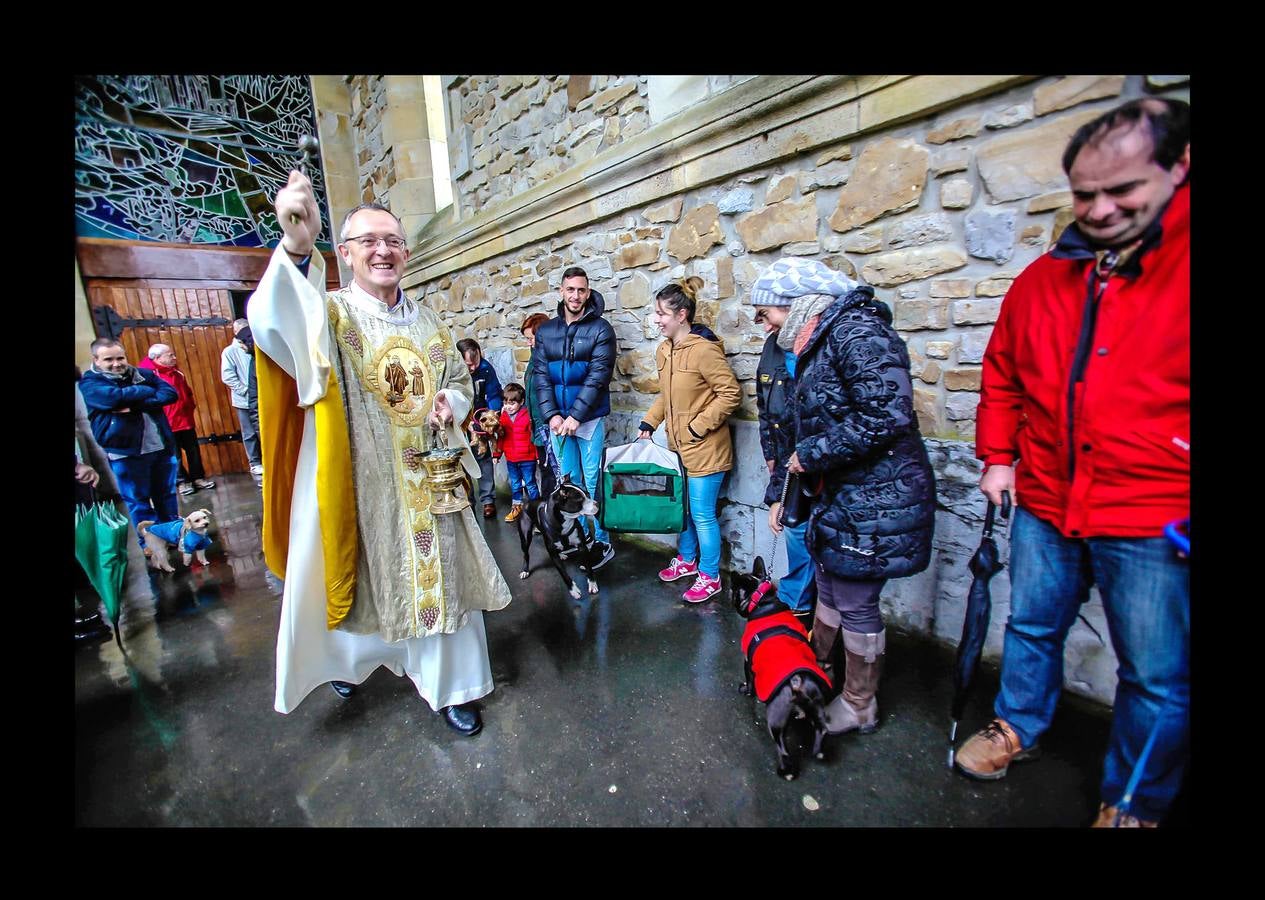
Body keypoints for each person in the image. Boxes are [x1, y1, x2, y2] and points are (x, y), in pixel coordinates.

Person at [954, 99, 1190, 828]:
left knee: (1153, 675)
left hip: (1155, 509)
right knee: (1030, 625)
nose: (1098, 208)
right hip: (1050, 497)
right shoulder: (1042, 280)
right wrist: (997, 456)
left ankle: (1131, 799)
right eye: (1083, 193)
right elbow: (1001, 374)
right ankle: (1017, 725)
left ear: (1178, 168)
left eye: (1120, 191)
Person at [248, 170, 512, 736]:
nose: (382, 250)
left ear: (407, 252)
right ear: (344, 253)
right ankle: (352, 662)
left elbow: (460, 382)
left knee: (438, 575)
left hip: (430, 477)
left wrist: (451, 399)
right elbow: (274, 327)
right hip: (360, 479)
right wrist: (296, 248)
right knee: (364, 572)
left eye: (391, 240)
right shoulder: (331, 313)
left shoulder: (430, 320)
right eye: (367, 241)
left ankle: (452, 688)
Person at [759, 257, 936, 737]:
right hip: (842, 494)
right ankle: (820, 672)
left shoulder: (856, 330)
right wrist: (783, 488)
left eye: (766, 310)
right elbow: (793, 426)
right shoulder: (817, 340)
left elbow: (886, 414)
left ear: (795, 304)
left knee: (855, 600)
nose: (762, 322)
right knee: (832, 588)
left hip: (877, 495)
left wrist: (811, 454)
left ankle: (860, 702)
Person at [637, 277, 741, 603]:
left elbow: (731, 394)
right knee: (685, 511)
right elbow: (666, 396)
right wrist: (648, 423)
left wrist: (698, 426)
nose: (656, 319)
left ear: (682, 315)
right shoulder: (664, 351)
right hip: (679, 448)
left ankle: (710, 576)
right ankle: (686, 560)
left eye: (661, 313)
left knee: (702, 514)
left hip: (707, 449)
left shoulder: (704, 351)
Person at [531, 266, 617, 569]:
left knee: (592, 484)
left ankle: (602, 542)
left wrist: (576, 416)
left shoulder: (601, 329)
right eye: (570, 289)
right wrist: (551, 415)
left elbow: (598, 376)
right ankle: (579, 539)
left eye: (581, 290)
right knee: (568, 484)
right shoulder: (547, 331)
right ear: (561, 291)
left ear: (588, 292)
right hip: (558, 423)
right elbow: (541, 377)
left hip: (588, 419)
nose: (576, 296)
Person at [79, 339, 181, 557]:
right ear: (96, 360)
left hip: (159, 446)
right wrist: (145, 392)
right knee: (137, 500)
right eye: (109, 359)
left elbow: (170, 393)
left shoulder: (141, 374)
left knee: (166, 494)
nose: (116, 364)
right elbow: (111, 398)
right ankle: (151, 543)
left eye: (120, 358)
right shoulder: (90, 383)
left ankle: (171, 533)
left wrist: (133, 401)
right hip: (125, 452)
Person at [751, 298, 816, 625]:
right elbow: (766, 409)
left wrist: (778, 493)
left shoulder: (821, 348)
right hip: (790, 461)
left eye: (766, 316)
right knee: (794, 529)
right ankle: (797, 604)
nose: (765, 326)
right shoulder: (772, 347)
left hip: (815, 463)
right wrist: (770, 454)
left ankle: (797, 608)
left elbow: (799, 428)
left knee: (801, 529)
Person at [139, 343, 215, 496]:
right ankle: (182, 482)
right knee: (175, 455)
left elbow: (187, 393)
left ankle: (198, 477)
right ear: (158, 358)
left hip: (185, 420)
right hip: (167, 422)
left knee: (193, 451)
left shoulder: (177, 373)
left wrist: (189, 408)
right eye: (170, 355)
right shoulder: (148, 375)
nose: (174, 357)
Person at [456, 338, 504, 518]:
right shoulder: (455, 373)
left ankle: (488, 500)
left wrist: (491, 417)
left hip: (479, 420)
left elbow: (493, 394)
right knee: (462, 462)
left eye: (475, 363)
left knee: (483, 459)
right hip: (459, 424)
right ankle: (468, 500)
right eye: (469, 364)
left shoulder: (486, 369)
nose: (473, 368)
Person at [520, 312, 556, 499]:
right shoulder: (534, 358)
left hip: (548, 424)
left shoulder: (550, 358)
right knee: (545, 470)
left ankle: (550, 519)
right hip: (537, 425)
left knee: (551, 472)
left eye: (530, 338)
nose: (528, 343)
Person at [221, 318, 262, 475]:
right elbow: (228, 376)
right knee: (249, 432)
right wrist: (246, 390)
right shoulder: (230, 351)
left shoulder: (255, 348)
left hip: (257, 395)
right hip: (244, 398)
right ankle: (255, 461)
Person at [498, 383, 539, 522]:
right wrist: (496, 454)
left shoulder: (527, 416)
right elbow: (501, 436)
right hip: (511, 458)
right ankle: (516, 507)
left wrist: (538, 456)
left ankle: (536, 510)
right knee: (515, 484)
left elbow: (532, 436)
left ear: (521, 402)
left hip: (528, 458)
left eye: (512, 403)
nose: (508, 406)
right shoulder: (503, 416)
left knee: (530, 484)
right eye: (506, 402)